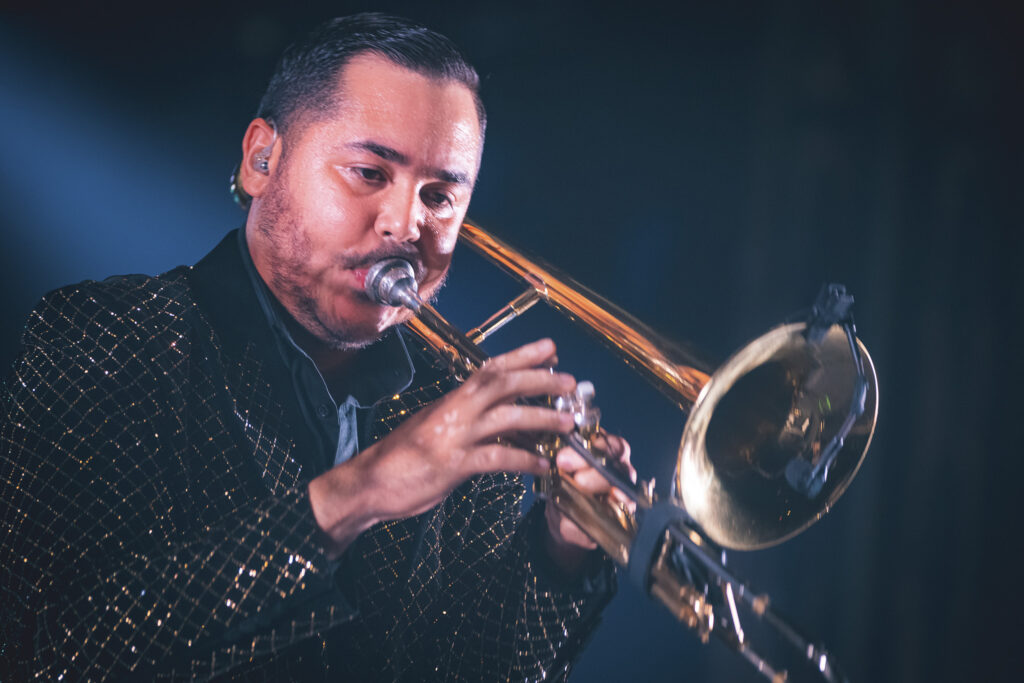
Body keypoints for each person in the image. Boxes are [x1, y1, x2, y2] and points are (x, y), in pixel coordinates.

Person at [0, 13, 634, 681]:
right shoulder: (109, 333)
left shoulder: (461, 404)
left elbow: (473, 669)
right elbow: (51, 653)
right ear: (262, 160)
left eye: (440, 196)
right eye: (368, 172)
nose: (406, 225)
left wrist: (561, 549)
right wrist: (357, 494)